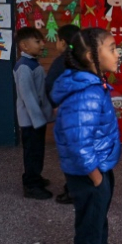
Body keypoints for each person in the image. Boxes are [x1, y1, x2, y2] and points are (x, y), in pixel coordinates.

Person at [52, 27, 122, 244]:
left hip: (99, 169)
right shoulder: (85, 92)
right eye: (111, 48)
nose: (117, 52)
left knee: (98, 227)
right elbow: (77, 141)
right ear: (89, 56)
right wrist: (97, 178)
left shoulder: (93, 84)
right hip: (89, 175)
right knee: (89, 233)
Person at [13, 27, 54, 200]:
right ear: (24, 46)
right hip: (31, 121)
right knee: (33, 153)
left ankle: (34, 177)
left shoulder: (32, 63)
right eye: (37, 41)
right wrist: (38, 119)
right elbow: (28, 96)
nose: (42, 44)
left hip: (36, 119)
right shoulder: (24, 67)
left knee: (37, 151)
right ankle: (31, 185)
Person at [45, 24, 80, 205]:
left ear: (63, 42)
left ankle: (71, 191)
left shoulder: (61, 61)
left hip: (66, 114)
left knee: (69, 155)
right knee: (78, 153)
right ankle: (81, 187)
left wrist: (55, 104)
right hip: (82, 116)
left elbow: (50, 85)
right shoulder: (84, 60)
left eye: (57, 40)